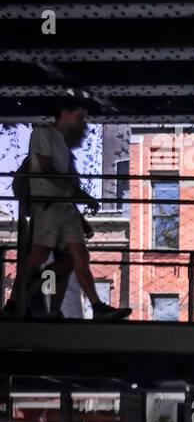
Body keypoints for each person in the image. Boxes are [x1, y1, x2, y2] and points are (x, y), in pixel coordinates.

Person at [3, 102, 130, 322]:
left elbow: (57, 177)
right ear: (64, 113)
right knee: (42, 257)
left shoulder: (62, 145)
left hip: (63, 207)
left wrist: (79, 212)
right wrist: (79, 196)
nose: (83, 123)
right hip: (50, 206)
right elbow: (46, 170)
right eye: (79, 116)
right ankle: (19, 301)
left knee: (77, 257)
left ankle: (95, 307)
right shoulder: (43, 134)